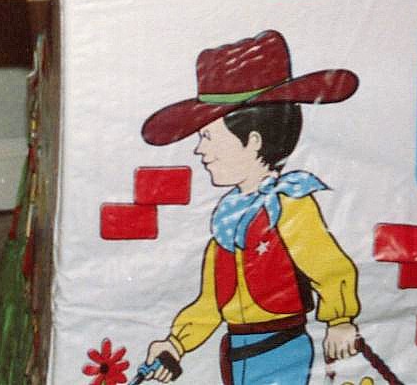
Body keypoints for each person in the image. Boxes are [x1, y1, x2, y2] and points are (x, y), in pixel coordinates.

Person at [139, 30, 361, 385]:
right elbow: (211, 301)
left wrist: (340, 319)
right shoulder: (226, 222)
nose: (200, 150)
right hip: (236, 352)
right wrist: (176, 344)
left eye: (208, 136)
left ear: (253, 141)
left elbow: (329, 266)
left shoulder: (289, 206)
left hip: (281, 349)